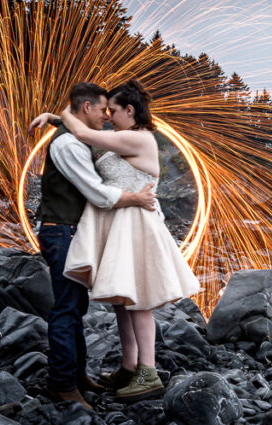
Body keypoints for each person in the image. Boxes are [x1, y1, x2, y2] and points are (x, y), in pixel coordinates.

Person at [31, 79, 200, 402]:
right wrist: (57, 118)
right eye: (104, 110)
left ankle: (146, 372)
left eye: (114, 110)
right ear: (87, 108)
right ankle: (127, 366)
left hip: (135, 225)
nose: (108, 116)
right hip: (117, 227)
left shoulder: (137, 138)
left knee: (137, 299)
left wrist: (57, 115)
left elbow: (84, 134)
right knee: (122, 299)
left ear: (130, 111)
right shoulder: (115, 137)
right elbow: (83, 133)